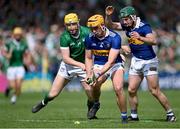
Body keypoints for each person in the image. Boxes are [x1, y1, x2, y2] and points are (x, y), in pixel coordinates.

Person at [105, 6, 176, 122]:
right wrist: (108, 15)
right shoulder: (126, 26)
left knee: (154, 90)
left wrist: (140, 37)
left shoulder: (144, 27)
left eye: (127, 19)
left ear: (133, 17)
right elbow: (111, 25)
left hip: (149, 61)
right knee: (131, 90)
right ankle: (134, 116)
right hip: (136, 60)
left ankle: (170, 114)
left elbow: (153, 41)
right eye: (123, 19)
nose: (124, 21)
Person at [32, 13, 96, 119]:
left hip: (85, 65)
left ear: (78, 23)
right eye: (68, 25)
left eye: (73, 24)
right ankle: (43, 102)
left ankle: (90, 111)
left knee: (90, 92)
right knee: (53, 94)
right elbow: (66, 58)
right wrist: (80, 64)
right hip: (68, 66)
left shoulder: (87, 32)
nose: (71, 28)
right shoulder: (64, 37)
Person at [85, 14, 127, 123]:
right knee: (94, 84)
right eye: (91, 28)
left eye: (95, 28)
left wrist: (98, 74)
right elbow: (88, 58)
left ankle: (124, 116)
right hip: (99, 63)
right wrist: (90, 74)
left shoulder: (115, 37)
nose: (93, 31)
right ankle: (96, 103)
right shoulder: (89, 38)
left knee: (118, 88)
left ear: (103, 25)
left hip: (115, 64)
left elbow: (111, 61)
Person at [3, 27, 30, 104]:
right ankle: (8, 89)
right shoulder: (9, 43)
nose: (18, 36)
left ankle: (14, 97)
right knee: (12, 85)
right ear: (14, 35)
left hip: (20, 66)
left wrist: (27, 60)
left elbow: (27, 53)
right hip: (11, 67)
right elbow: (4, 52)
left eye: (19, 34)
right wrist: (8, 55)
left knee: (18, 85)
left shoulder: (24, 44)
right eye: (16, 34)